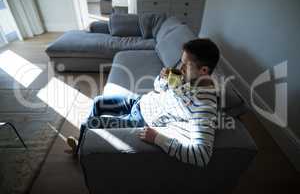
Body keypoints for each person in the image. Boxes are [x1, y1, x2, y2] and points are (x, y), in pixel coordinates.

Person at [67, 38, 220, 167]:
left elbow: (201, 156)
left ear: (204, 70)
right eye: (181, 62)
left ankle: (81, 149)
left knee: (89, 122)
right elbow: (159, 89)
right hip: (140, 101)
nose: (180, 68)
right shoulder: (187, 78)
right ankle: (83, 143)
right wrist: (162, 79)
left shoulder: (204, 105)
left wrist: (158, 139)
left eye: (186, 65)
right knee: (99, 102)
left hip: (140, 120)